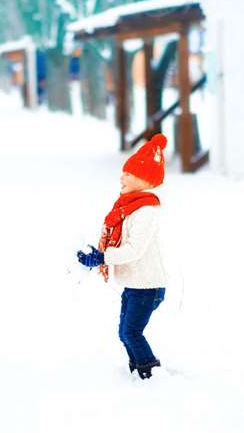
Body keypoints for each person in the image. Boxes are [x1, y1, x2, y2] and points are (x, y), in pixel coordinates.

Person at [77, 134, 169, 379]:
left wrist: (102, 257)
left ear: (144, 179)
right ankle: (136, 371)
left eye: (128, 174)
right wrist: (97, 254)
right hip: (134, 284)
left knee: (131, 332)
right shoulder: (129, 206)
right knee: (125, 332)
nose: (121, 178)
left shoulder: (147, 210)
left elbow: (134, 249)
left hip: (148, 286)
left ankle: (150, 372)